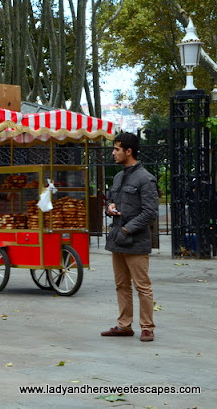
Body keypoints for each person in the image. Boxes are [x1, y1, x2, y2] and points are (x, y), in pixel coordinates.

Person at [102, 132, 159, 342]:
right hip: (117, 239)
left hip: (135, 240)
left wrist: (127, 229)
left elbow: (150, 212)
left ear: (129, 151)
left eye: (117, 149)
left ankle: (147, 327)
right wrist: (110, 208)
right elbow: (112, 201)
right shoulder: (118, 177)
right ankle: (124, 325)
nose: (113, 153)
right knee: (121, 285)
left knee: (142, 286)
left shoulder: (145, 178)